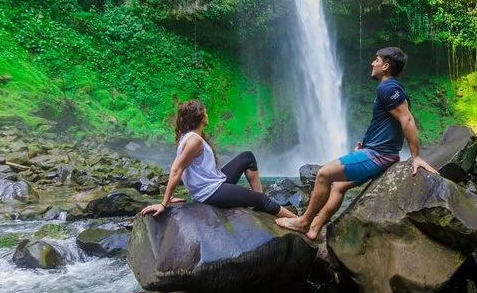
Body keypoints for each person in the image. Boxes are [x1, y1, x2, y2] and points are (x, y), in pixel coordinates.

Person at [276, 47, 439, 239]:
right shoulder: (391, 87)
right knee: (338, 186)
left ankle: (303, 222)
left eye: (376, 60)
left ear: (385, 66)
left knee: (323, 174)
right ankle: (314, 229)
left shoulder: (388, 88)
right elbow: (388, 123)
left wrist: (416, 156)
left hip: (379, 155)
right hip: (377, 151)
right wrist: (365, 146)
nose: (372, 63)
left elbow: (407, 119)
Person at [140, 100, 297, 219]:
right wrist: (164, 203)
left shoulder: (189, 136)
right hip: (210, 192)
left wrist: (170, 197)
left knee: (247, 157)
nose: (207, 115)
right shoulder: (194, 140)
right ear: (200, 116)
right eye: (205, 113)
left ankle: (259, 202)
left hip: (215, 182)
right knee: (262, 199)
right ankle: (301, 223)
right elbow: (177, 169)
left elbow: (181, 168)